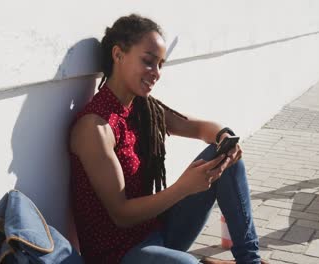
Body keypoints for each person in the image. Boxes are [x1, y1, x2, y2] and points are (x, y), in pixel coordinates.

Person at [69, 14, 266, 264]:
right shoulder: (94, 127)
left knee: (227, 158)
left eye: (161, 64)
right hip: (118, 255)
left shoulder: (142, 108)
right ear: (118, 55)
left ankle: (251, 261)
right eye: (149, 62)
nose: (157, 73)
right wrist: (183, 187)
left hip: (156, 232)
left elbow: (199, 127)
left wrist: (223, 136)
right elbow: (121, 215)